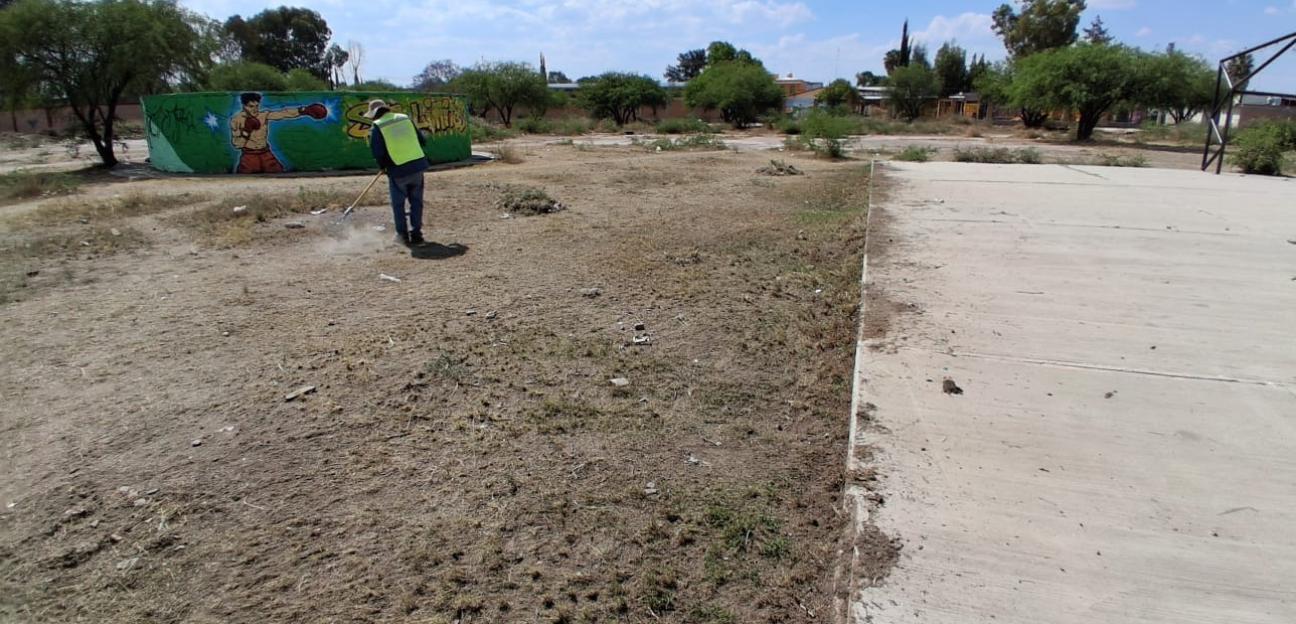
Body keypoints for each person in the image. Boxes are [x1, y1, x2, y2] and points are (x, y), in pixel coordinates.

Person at [365, 99, 430, 246]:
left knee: (398, 205)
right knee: (416, 202)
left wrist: (383, 167)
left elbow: (378, 152)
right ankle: (417, 235)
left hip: (398, 169)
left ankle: (402, 236)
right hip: (417, 165)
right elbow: (421, 140)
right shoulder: (404, 118)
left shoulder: (378, 126)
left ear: (374, 114)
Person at [230, 92, 328, 173]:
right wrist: (246, 131)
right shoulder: (237, 120)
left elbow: (282, 114)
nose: (255, 109)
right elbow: (237, 145)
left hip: (266, 153)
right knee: (245, 178)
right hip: (249, 156)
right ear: (244, 106)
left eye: (257, 106)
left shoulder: (263, 116)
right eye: (251, 106)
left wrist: (303, 110)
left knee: (279, 174)